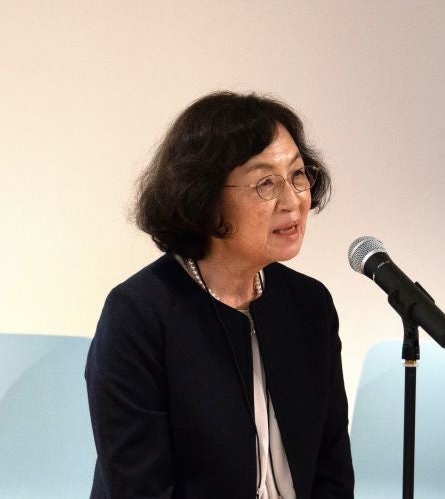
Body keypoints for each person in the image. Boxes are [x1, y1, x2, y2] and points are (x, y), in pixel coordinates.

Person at [85, 91, 354, 499]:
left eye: (298, 174)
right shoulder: (139, 315)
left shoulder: (309, 304)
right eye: (266, 183)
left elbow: (332, 471)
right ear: (205, 198)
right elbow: (140, 487)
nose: (293, 201)